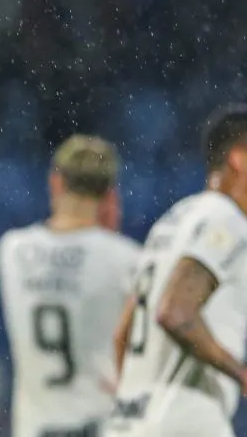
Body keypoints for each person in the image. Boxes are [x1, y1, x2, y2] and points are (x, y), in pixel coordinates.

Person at [107, 105, 247, 437]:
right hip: (186, 419)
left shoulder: (173, 220)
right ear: (239, 159)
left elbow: (121, 335)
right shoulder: (226, 221)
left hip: (128, 421)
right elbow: (175, 312)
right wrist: (241, 374)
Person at [0, 135, 140, 437]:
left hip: (36, 428)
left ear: (56, 182)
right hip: (100, 424)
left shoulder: (12, 250)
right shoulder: (126, 259)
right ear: (110, 195)